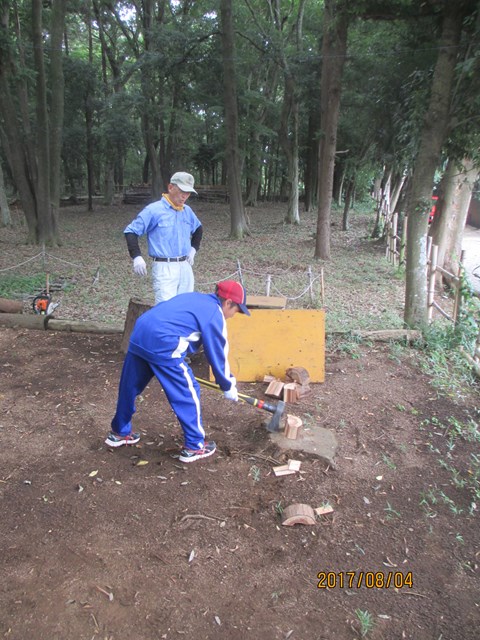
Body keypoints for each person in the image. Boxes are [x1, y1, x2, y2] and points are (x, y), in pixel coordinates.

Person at [105, 280, 250, 463]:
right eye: (237, 310)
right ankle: (195, 446)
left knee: (129, 387)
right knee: (188, 392)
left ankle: (119, 432)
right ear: (228, 302)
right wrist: (228, 385)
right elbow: (218, 353)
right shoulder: (215, 313)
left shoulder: (195, 298)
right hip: (164, 343)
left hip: (140, 333)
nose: (234, 315)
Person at [124, 172, 203, 304]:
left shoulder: (187, 211)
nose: (185, 196)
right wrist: (136, 257)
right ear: (171, 187)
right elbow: (131, 231)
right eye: (182, 191)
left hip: (185, 266)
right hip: (164, 267)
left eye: (188, 193)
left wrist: (193, 250)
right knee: (166, 311)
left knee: (186, 308)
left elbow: (198, 229)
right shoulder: (154, 210)